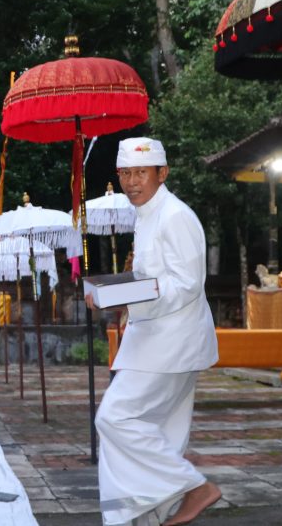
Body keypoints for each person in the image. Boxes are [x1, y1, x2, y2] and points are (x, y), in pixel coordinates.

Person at [89, 137, 220, 526]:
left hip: (171, 342)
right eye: (126, 173)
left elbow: (187, 284)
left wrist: (127, 297)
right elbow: (154, 279)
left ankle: (195, 488)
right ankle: (149, 513)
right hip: (157, 339)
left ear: (162, 174)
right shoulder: (146, 214)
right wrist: (118, 291)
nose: (132, 182)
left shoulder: (175, 215)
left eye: (140, 173)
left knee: (115, 418)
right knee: (160, 431)